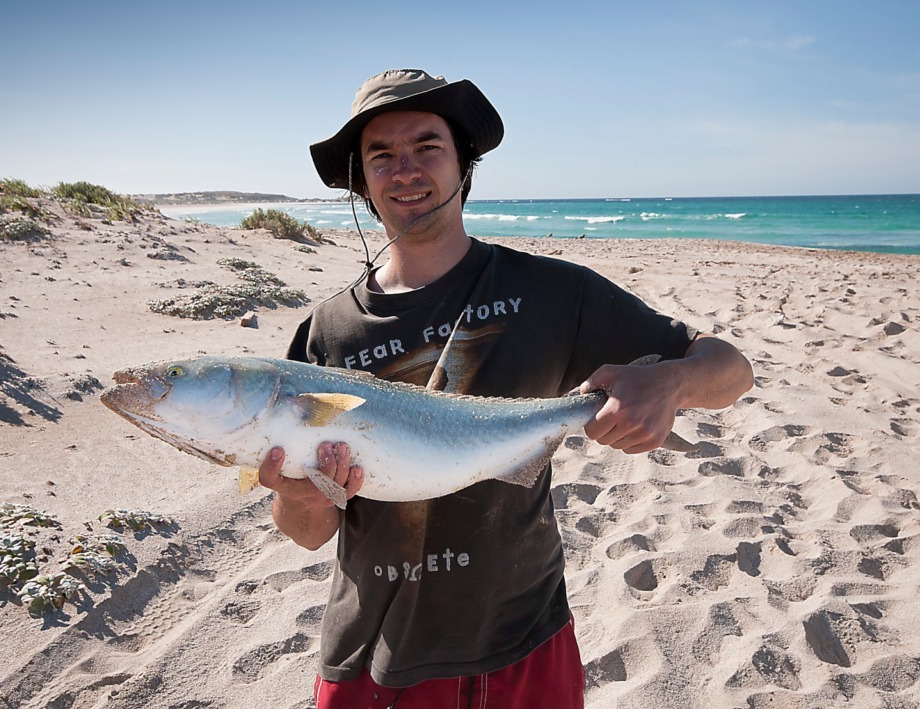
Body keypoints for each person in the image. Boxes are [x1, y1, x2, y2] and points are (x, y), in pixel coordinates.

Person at [258, 69, 754, 708]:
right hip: (375, 655)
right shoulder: (327, 332)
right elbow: (306, 532)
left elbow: (730, 370)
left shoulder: (553, 293)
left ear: (465, 164)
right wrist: (302, 497)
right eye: (382, 155)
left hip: (524, 640)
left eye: (427, 147)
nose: (405, 169)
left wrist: (671, 382)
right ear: (362, 181)